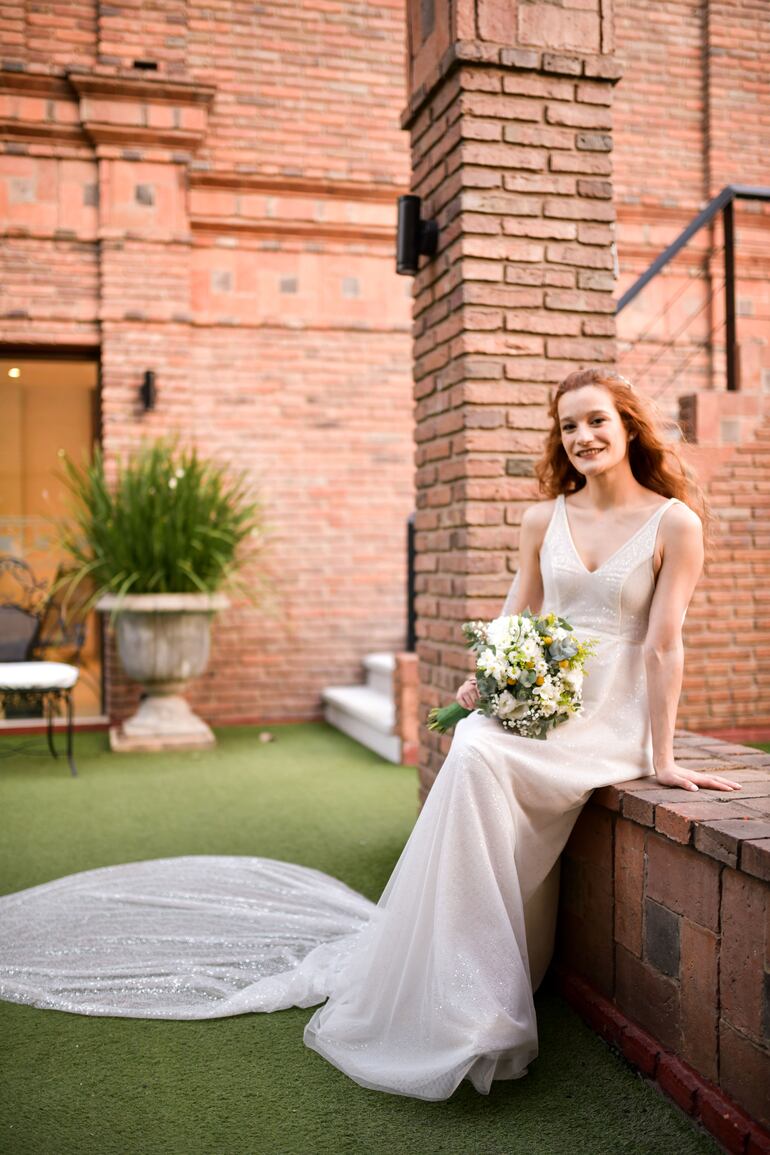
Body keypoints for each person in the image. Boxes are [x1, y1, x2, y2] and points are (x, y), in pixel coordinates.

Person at [0, 368, 742, 1103]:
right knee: (476, 746)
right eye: (567, 425)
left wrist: (664, 757)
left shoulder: (674, 523)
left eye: (595, 420)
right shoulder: (543, 518)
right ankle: (466, 989)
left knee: (481, 754)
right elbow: (517, 614)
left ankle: (485, 969)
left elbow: (663, 646)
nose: (581, 436)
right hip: (539, 703)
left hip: (608, 717)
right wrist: (490, 678)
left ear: (629, 426)